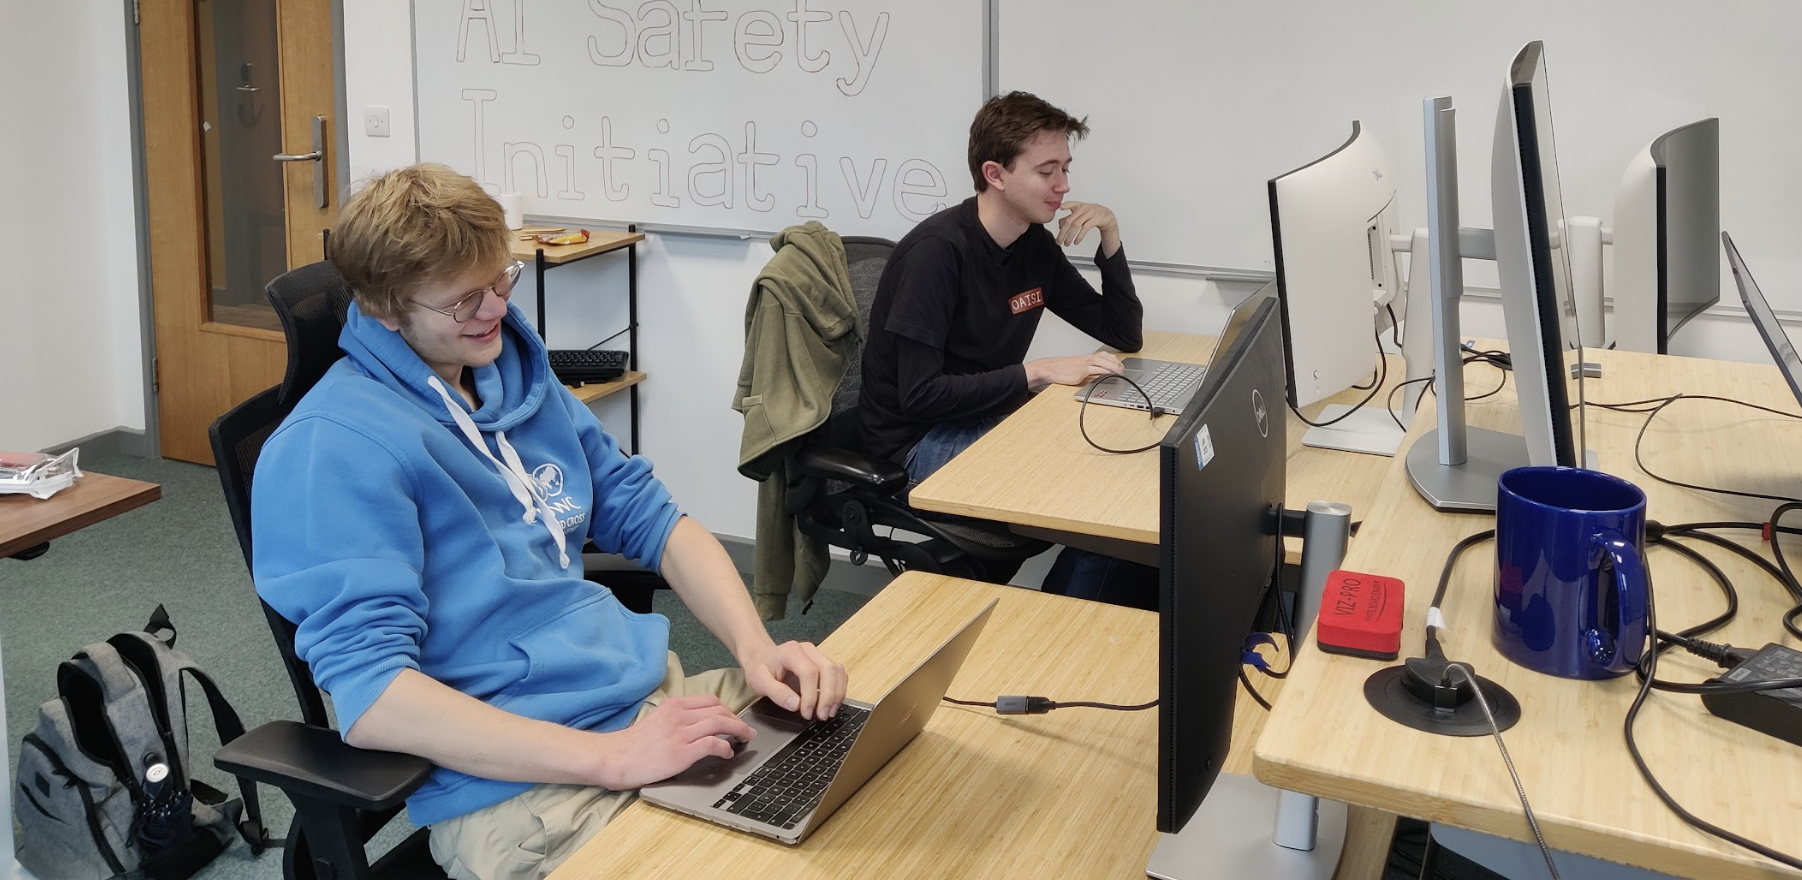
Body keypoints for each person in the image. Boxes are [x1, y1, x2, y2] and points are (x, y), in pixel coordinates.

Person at [251, 163, 846, 880]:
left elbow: (653, 518)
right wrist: (612, 757)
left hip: (649, 705)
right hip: (525, 788)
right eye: (463, 300)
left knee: (852, 757)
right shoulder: (333, 448)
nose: (495, 311)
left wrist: (756, 650)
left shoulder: (508, 374)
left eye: (500, 282)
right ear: (383, 308)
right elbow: (375, 699)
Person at [857, 91, 1153, 605]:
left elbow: (1123, 333)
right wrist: (1038, 372)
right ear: (995, 174)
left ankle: (1072, 611)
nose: (1063, 186)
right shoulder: (937, 254)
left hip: (984, 414)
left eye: (1065, 168)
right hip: (915, 443)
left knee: (1119, 468)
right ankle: (1063, 618)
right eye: (1046, 171)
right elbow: (920, 396)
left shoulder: (1031, 243)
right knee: (1092, 491)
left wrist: (1111, 234)